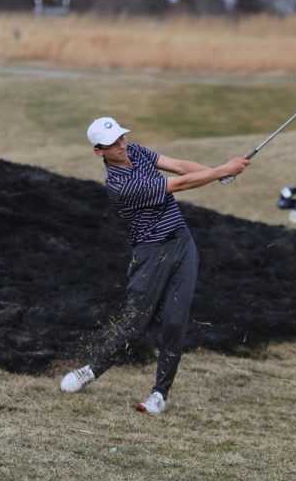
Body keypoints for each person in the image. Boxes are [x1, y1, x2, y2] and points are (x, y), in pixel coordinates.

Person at [59, 117, 250, 415]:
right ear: (99, 151)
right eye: (114, 144)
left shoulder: (135, 151)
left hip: (183, 246)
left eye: (122, 138)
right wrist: (221, 170)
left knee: (175, 323)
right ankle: (91, 370)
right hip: (150, 254)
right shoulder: (119, 185)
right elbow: (179, 184)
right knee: (136, 325)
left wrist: (214, 173)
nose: (122, 146)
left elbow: (179, 166)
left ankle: (159, 394)